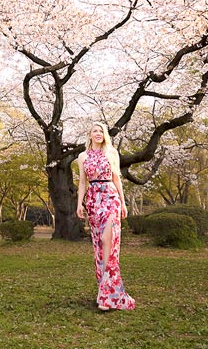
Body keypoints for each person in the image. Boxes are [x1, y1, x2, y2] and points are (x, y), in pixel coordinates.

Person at [76, 122, 135, 311]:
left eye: (101, 131)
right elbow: (83, 182)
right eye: (95, 131)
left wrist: (124, 203)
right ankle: (105, 292)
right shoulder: (82, 156)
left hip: (110, 196)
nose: (98, 133)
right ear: (90, 134)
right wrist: (80, 203)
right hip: (93, 200)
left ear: (105, 134)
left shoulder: (112, 153)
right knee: (99, 245)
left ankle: (108, 291)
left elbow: (117, 178)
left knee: (107, 239)